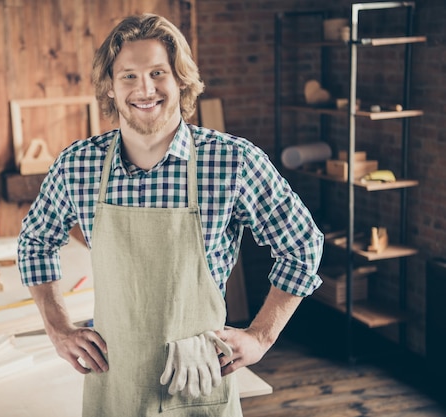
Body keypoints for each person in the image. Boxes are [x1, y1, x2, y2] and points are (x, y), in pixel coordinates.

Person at [17, 13, 323, 417]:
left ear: (181, 80)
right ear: (110, 85)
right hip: (115, 388)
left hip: (200, 387)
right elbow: (34, 242)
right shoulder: (79, 165)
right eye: (128, 76)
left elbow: (302, 245)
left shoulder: (233, 161)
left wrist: (261, 337)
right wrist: (58, 329)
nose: (145, 89)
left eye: (157, 72)